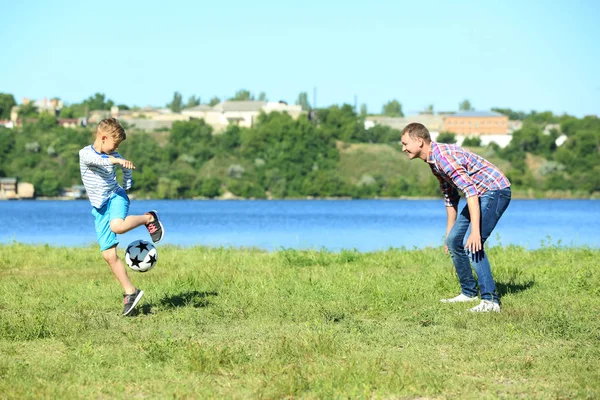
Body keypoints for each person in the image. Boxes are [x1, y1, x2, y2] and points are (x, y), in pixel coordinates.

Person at [400, 123, 511, 312]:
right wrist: (449, 234)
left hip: (495, 191)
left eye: (405, 143)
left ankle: (490, 301)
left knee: (473, 243)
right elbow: (450, 198)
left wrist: (475, 232)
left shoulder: (443, 159)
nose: (403, 149)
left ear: (419, 141)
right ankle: (468, 293)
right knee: (453, 241)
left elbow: (471, 191)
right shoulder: (433, 162)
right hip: (480, 194)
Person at [79, 117, 164, 316]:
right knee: (108, 255)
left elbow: (126, 175)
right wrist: (117, 160)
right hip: (99, 208)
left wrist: (126, 181)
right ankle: (131, 292)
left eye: (117, 147)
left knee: (117, 226)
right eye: (114, 144)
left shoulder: (114, 155)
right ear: (103, 137)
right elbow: (97, 160)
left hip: (115, 198)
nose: (115, 148)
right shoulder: (85, 154)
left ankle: (149, 218)